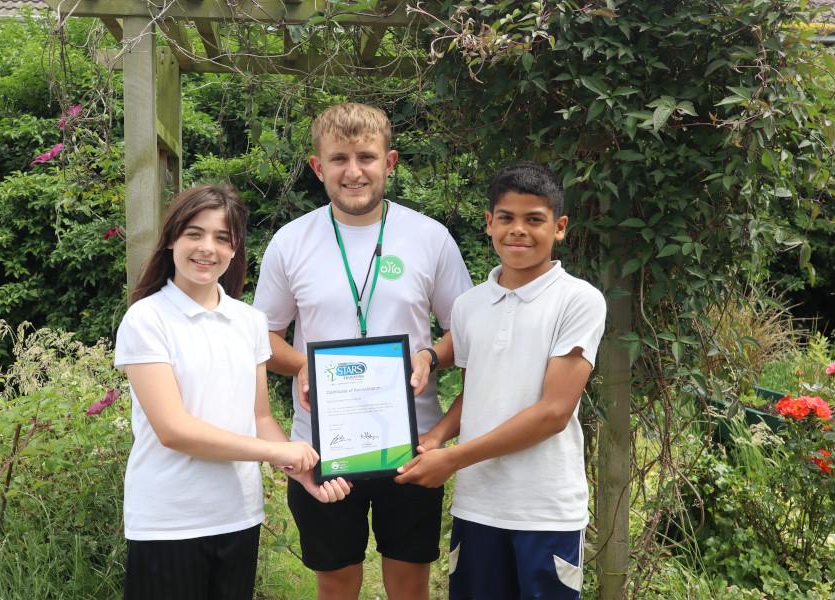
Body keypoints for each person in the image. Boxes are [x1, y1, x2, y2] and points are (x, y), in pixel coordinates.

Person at [253, 103, 473, 600]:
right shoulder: (292, 242)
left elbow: (467, 331)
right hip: (321, 447)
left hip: (412, 445)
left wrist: (430, 357)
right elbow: (261, 339)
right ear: (318, 167)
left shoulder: (429, 238)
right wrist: (304, 365)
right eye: (339, 159)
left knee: (410, 582)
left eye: (367, 157)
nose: (354, 172)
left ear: (390, 162)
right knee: (335, 583)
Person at [114, 184, 350, 600]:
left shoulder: (249, 321)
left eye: (223, 238)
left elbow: (259, 419)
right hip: (169, 521)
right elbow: (174, 430)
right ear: (171, 238)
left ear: (235, 248)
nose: (208, 248)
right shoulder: (146, 319)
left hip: (238, 516)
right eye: (195, 233)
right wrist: (279, 453)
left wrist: (304, 473)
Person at [395, 162, 607, 600]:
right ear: (489, 223)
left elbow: (553, 413)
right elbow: (476, 391)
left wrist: (453, 460)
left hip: (545, 511)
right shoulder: (470, 306)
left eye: (534, 220)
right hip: (478, 507)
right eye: (507, 218)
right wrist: (436, 437)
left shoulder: (579, 300)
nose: (519, 231)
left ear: (560, 227)